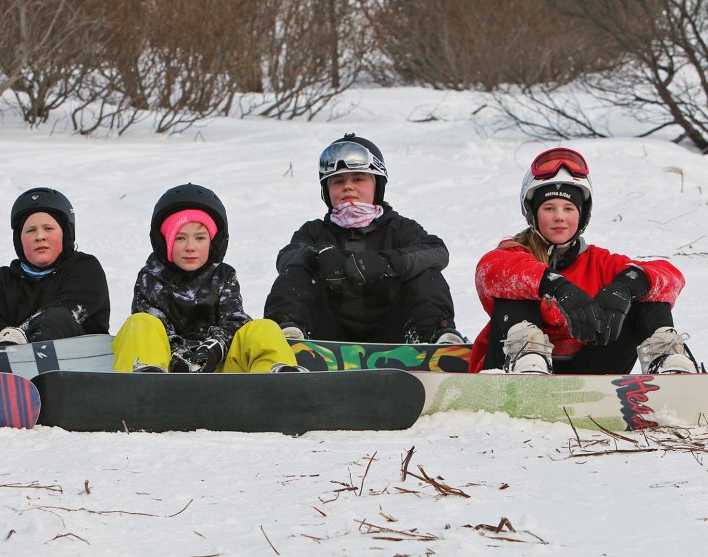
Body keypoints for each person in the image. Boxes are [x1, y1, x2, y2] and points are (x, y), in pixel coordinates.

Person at [470, 146, 700, 375]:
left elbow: (671, 277)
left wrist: (627, 285)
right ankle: (528, 361)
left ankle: (669, 366)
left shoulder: (599, 262)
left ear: (581, 216)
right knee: (517, 290)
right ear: (532, 213)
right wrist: (554, 285)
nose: (559, 216)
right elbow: (489, 270)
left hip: (588, 370)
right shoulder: (512, 256)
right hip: (505, 369)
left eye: (568, 208)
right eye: (549, 208)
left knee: (645, 291)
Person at [264, 133, 463, 344]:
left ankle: (433, 338)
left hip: (392, 333)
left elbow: (437, 252)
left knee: (426, 273)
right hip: (326, 338)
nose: (348, 187)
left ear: (377, 185)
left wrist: (386, 263)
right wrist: (319, 257)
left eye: (358, 179)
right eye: (338, 181)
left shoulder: (400, 228)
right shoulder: (314, 232)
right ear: (326, 190)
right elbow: (286, 257)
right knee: (295, 272)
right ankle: (289, 335)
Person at [112, 183, 305, 374]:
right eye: (180, 238)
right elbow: (155, 327)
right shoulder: (150, 278)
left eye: (200, 238)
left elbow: (234, 320)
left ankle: (277, 379)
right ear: (164, 242)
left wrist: (214, 347)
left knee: (263, 327)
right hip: (167, 369)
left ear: (214, 242)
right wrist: (180, 354)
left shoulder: (223, 276)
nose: (190, 247)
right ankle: (144, 378)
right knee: (140, 323)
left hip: (221, 371)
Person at [0, 187, 110, 348]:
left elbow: (62, 315)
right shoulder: (2, 280)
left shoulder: (85, 268)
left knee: (56, 318)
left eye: (48, 228)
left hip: (77, 364)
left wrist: (18, 339)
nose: (40, 236)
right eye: (30, 230)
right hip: (1, 367)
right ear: (19, 239)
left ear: (66, 233)